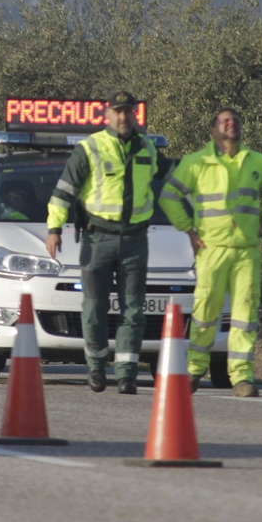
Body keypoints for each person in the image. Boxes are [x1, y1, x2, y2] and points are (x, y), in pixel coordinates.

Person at [158, 107, 262, 397]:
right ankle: (194, 370)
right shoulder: (196, 163)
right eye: (224, 120)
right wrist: (189, 231)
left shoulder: (256, 161)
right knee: (206, 311)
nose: (231, 124)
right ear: (213, 130)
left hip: (246, 251)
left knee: (245, 312)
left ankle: (242, 378)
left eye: (235, 120)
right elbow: (169, 196)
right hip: (211, 249)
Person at [45, 91, 168, 395]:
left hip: (135, 240)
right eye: (117, 111)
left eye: (128, 111)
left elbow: (174, 178)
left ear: (134, 115)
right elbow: (64, 191)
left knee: (133, 311)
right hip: (97, 238)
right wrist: (54, 228)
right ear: (108, 115)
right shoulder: (90, 148)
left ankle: (126, 374)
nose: (123, 117)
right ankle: (97, 367)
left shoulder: (148, 148)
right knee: (94, 308)